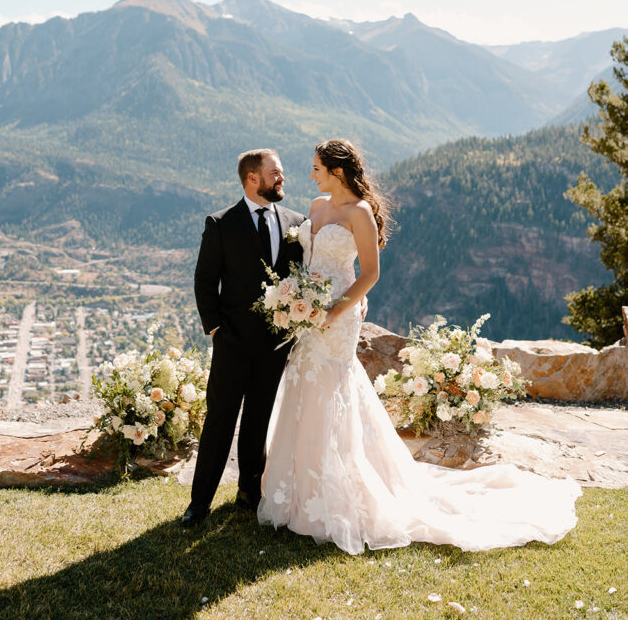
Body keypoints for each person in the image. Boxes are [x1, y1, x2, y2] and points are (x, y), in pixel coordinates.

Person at [258, 138, 582, 555]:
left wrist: (335, 311)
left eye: (317, 166)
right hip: (309, 315)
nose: (311, 173)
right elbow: (306, 260)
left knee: (333, 392)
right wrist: (297, 299)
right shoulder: (318, 207)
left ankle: (338, 497)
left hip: (337, 320)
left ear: (337, 171)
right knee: (304, 389)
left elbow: (370, 274)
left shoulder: (360, 214)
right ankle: (296, 494)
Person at [182, 148, 305, 527]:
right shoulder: (221, 223)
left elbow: (305, 278)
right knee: (219, 420)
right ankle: (199, 503)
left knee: (258, 420)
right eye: (276, 173)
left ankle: (250, 493)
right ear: (253, 177)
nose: (282, 178)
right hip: (232, 343)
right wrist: (216, 329)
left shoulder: (296, 222)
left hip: (275, 345)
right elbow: (205, 281)